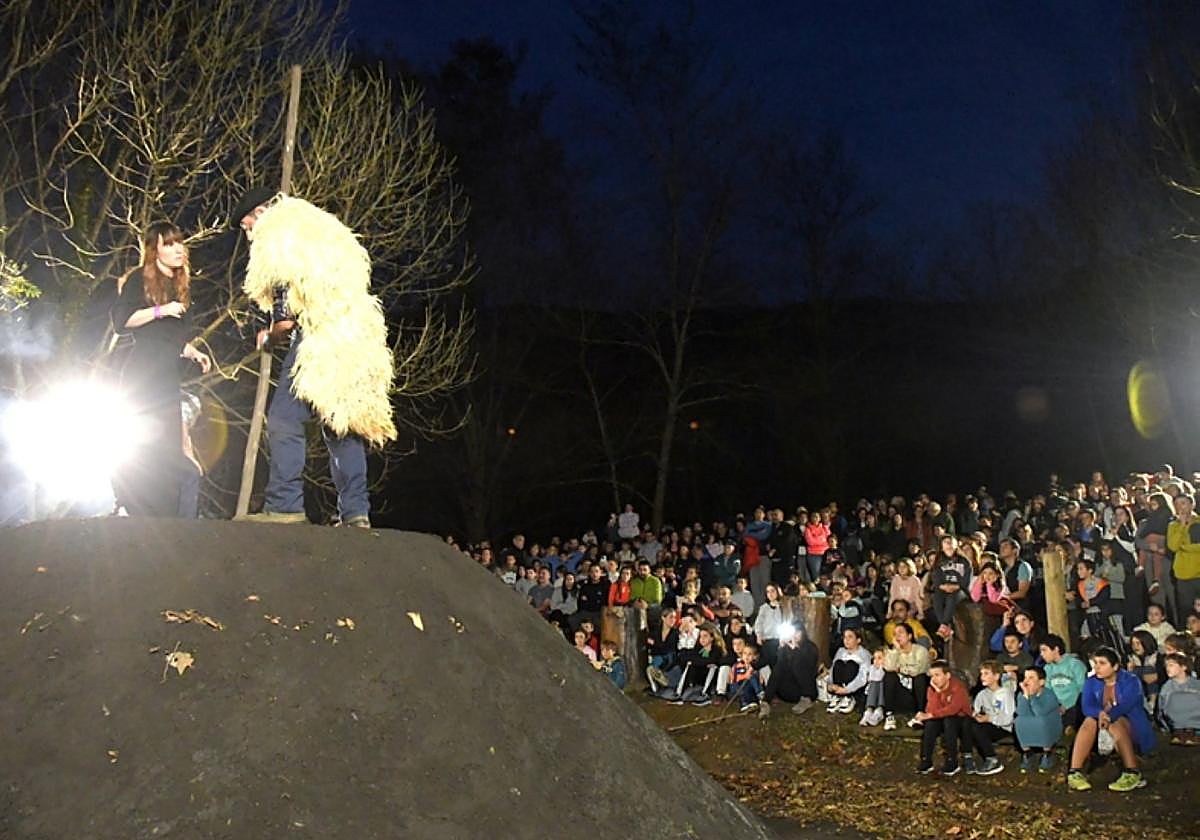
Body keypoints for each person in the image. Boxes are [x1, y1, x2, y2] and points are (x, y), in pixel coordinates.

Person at [234, 188, 395, 528]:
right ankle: (356, 512)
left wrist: (272, 334)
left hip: (318, 334)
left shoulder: (277, 232)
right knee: (341, 422)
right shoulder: (323, 227)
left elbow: (285, 302)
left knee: (284, 418)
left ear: (259, 214)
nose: (249, 234)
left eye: (247, 226)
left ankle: (284, 505)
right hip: (357, 333)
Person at [109, 221, 212, 516]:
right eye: (169, 244)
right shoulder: (139, 279)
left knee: (168, 451)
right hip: (142, 376)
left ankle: (165, 520)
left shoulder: (180, 286)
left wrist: (192, 351)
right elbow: (121, 321)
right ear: (155, 250)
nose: (179, 249)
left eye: (180, 242)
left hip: (168, 378)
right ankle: (128, 506)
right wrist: (160, 310)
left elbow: (167, 339)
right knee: (144, 447)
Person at [1067, 647, 1154, 793]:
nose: (1097, 667)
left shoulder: (1130, 681)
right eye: (1095, 663)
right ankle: (1074, 772)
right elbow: (1087, 706)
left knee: (1116, 722)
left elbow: (1128, 705)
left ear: (1114, 666)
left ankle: (1132, 771)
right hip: (1101, 724)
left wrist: (1109, 716)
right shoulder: (1091, 681)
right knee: (1089, 720)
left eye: (1102, 663)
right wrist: (1100, 713)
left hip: (1130, 726)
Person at [913, 660, 972, 776]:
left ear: (947, 675)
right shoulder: (932, 689)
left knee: (949, 721)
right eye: (932, 676)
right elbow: (932, 708)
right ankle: (926, 760)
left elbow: (953, 709)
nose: (934, 679)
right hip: (942, 716)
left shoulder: (958, 687)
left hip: (961, 719)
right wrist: (937, 692)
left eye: (937, 675)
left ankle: (952, 761)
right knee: (930, 724)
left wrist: (931, 714)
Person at [962, 661, 1013, 775]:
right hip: (987, 724)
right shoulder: (982, 694)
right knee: (967, 722)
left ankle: (992, 759)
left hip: (1002, 727)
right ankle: (968, 757)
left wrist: (989, 718)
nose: (982, 677)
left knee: (977, 727)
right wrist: (976, 715)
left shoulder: (1005, 694)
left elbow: (1007, 719)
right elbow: (974, 710)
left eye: (986, 674)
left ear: (996, 676)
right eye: (981, 674)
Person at [758, 624, 820, 718]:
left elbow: (809, 669)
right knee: (779, 665)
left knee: (797, 664)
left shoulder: (810, 647)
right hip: (786, 691)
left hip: (803, 691)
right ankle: (766, 701)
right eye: (792, 632)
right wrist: (781, 648)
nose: (794, 635)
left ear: (803, 633)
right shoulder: (786, 647)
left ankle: (806, 701)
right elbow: (776, 666)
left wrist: (795, 650)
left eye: (797, 632)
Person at [881, 621, 931, 731]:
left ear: (909, 636)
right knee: (889, 676)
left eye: (900, 633)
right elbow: (888, 667)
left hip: (919, 693)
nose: (897, 636)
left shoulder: (920, 650)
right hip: (902, 694)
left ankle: (920, 715)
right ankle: (889, 715)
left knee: (920, 678)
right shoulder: (893, 651)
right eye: (895, 634)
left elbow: (918, 670)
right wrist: (896, 650)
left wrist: (901, 669)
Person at [1016, 665, 1064, 773]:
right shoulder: (1022, 695)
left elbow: (1040, 712)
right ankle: (1027, 754)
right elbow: (1021, 712)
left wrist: (1031, 697)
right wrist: (1025, 697)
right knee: (1019, 721)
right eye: (1025, 678)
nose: (1026, 681)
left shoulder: (1049, 695)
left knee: (1041, 721)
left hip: (1050, 725)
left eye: (1031, 678)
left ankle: (1048, 754)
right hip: (1032, 724)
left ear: (1041, 682)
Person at [1040, 634, 1087, 730]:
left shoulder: (1075, 665)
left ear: (1056, 649)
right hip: (1056, 706)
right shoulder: (1047, 668)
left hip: (1074, 705)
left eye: (1044, 650)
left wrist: (1066, 705)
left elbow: (1082, 689)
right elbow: (1047, 690)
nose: (1041, 654)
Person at [822, 628, 872, 714]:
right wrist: (830, 684)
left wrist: (847, 690)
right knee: (839, 663)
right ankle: (838, 696)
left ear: (858, 640)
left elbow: (863, 676)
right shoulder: (841, 651)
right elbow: (833, 668)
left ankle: (848, 698)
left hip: (854, 687)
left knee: (851, 664)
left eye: (850, 637)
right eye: (845, 637)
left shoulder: (864, 654)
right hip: (839, 685)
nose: (846, 640)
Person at [1158, 652, 1200, 744]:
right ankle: (1179, 732)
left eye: (1171, 665)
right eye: (1166, 666)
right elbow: (1162, 706)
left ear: (1183, 667)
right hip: (1175, 721)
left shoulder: (1196, 684)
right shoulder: (1167, 686)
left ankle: (1192, 732)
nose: (1167, 668)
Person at [858, 648, 887, 727]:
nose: (876, 661)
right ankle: (869, 711)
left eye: (879, 658)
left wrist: (882, 667)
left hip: (884, 696)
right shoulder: (871, 669)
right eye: (874, 658)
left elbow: (880, 676)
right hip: (872, 694)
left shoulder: (887, 670)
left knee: (881, 681)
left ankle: (879, 711)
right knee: (874, 682)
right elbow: (871, 679)